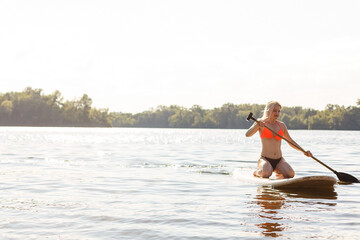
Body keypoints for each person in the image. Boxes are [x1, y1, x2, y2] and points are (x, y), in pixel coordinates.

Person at [245, 101, 312, 179]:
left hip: (279, 160)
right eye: (274, 110)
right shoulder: (261, 123)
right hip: (265, 159)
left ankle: (277, 171)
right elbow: (247, 134)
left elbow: (291, 141)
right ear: (269, 110)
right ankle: (256, 172)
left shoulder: (281, 125)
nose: (277, 113)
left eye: (278, 111)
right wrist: (257, 125)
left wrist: (303, 151)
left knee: (291, 174)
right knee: (266, 173)